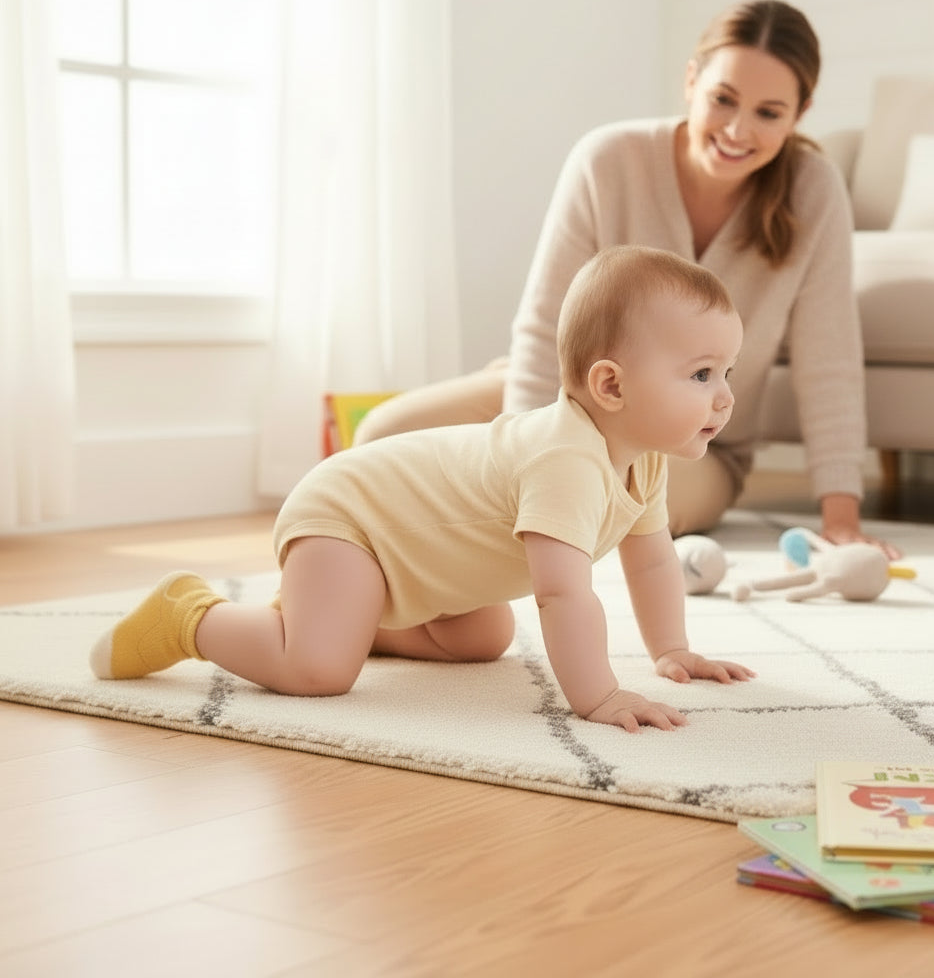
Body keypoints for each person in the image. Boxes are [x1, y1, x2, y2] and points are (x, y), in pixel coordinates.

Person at [90, 246, 754, 733]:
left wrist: (671, 649)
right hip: (348, 518)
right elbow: (561, 592)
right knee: (317, 670)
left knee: (481, 638)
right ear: (611, 386)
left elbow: (654, 558)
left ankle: (348, 614)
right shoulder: (565, 459)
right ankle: (192, 615)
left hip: (414, 558)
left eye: (726, 371)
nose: (723, 397)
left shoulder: (642, 459)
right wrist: (599, 696)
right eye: (700, 375)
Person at [354, 0, 898, 557]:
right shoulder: (608, 159)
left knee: (611, 496)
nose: (738, 129)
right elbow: (547, 326)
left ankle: (491, 520)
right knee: (379, 440)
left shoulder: (815, 190)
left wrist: (842, 517)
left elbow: (828, 360)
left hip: (692, 443)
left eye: (768, 112)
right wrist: (527, 449)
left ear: (800, 112)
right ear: (691, 80)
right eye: (723, 99)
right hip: (561, 396)